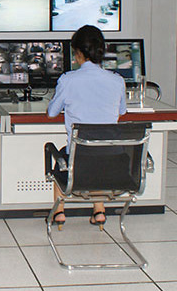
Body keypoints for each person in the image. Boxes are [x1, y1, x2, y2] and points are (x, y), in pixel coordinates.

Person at [46, 25, 126, 229]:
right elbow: (122, 111)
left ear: (78, 54)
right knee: (98, 151)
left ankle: (59, 211)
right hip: (113, 161)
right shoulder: (117, 80)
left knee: (65, 157)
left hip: (78, 162)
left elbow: (52, 112)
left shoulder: (68, 80)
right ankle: (99, 211)